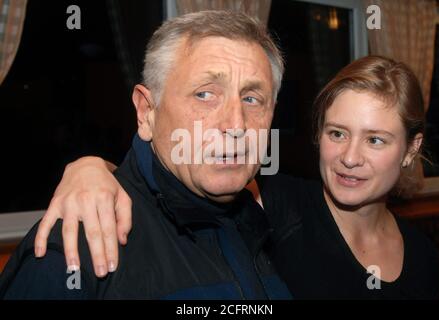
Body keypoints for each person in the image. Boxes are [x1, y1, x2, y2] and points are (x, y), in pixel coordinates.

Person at [22, 56, 439, 299]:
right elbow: (170, 179)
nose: (350, 157)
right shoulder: (271, 204)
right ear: (319, 135)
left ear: (411, 149)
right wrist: (92, 168)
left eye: (376, 140)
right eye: (337, 133)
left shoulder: (422, 254)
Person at [0, 10, 293, 299]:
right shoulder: (76, 249)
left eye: (252, 99)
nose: (236, 125)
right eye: (205, 94)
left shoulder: (268, 228)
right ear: (146, 112)